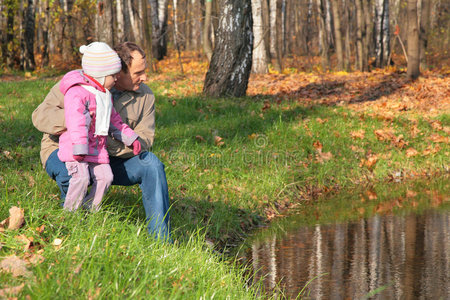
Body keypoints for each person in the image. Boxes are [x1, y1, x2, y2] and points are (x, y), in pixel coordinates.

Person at [32, 42, 171, 242]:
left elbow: (145, 139)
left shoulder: (145, 96)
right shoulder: (76, 83)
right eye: (138, 72)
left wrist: (104, 137)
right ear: (117, 72)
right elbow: (40, 116)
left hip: (107, 157)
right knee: (73, 177)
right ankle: (71, 230)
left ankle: (161, 240)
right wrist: (80, 121)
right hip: (66, 151)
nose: (145, 77)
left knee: (152, 165)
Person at [58, 42, 141, 212]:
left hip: (96, 149)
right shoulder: (77, 93)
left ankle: (90, 210)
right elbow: (76, 121)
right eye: (113, 76)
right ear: (100, 75)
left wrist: (130, 138)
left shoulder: (104, 95)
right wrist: (80, 147)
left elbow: (114, 121)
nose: (116, 79)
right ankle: (70, 214)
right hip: (76, 150)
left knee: (106, 177)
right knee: (80, 179)